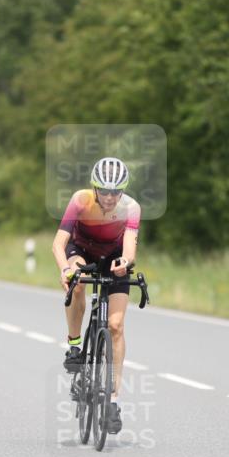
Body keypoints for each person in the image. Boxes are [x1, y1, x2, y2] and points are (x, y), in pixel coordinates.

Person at [51, 156, 141, 435]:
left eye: (116, 191)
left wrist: (124, 263)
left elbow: (129, 249)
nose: (111, 197)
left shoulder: (131, 208)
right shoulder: (81, 200)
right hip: (81, 251)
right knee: (77, 282)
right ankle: (75, 345)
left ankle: (113, 401)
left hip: (113, 258)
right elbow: (58, 243)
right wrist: (65, 269)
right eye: (104, 191)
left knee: (115, 326)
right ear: (95, 188)